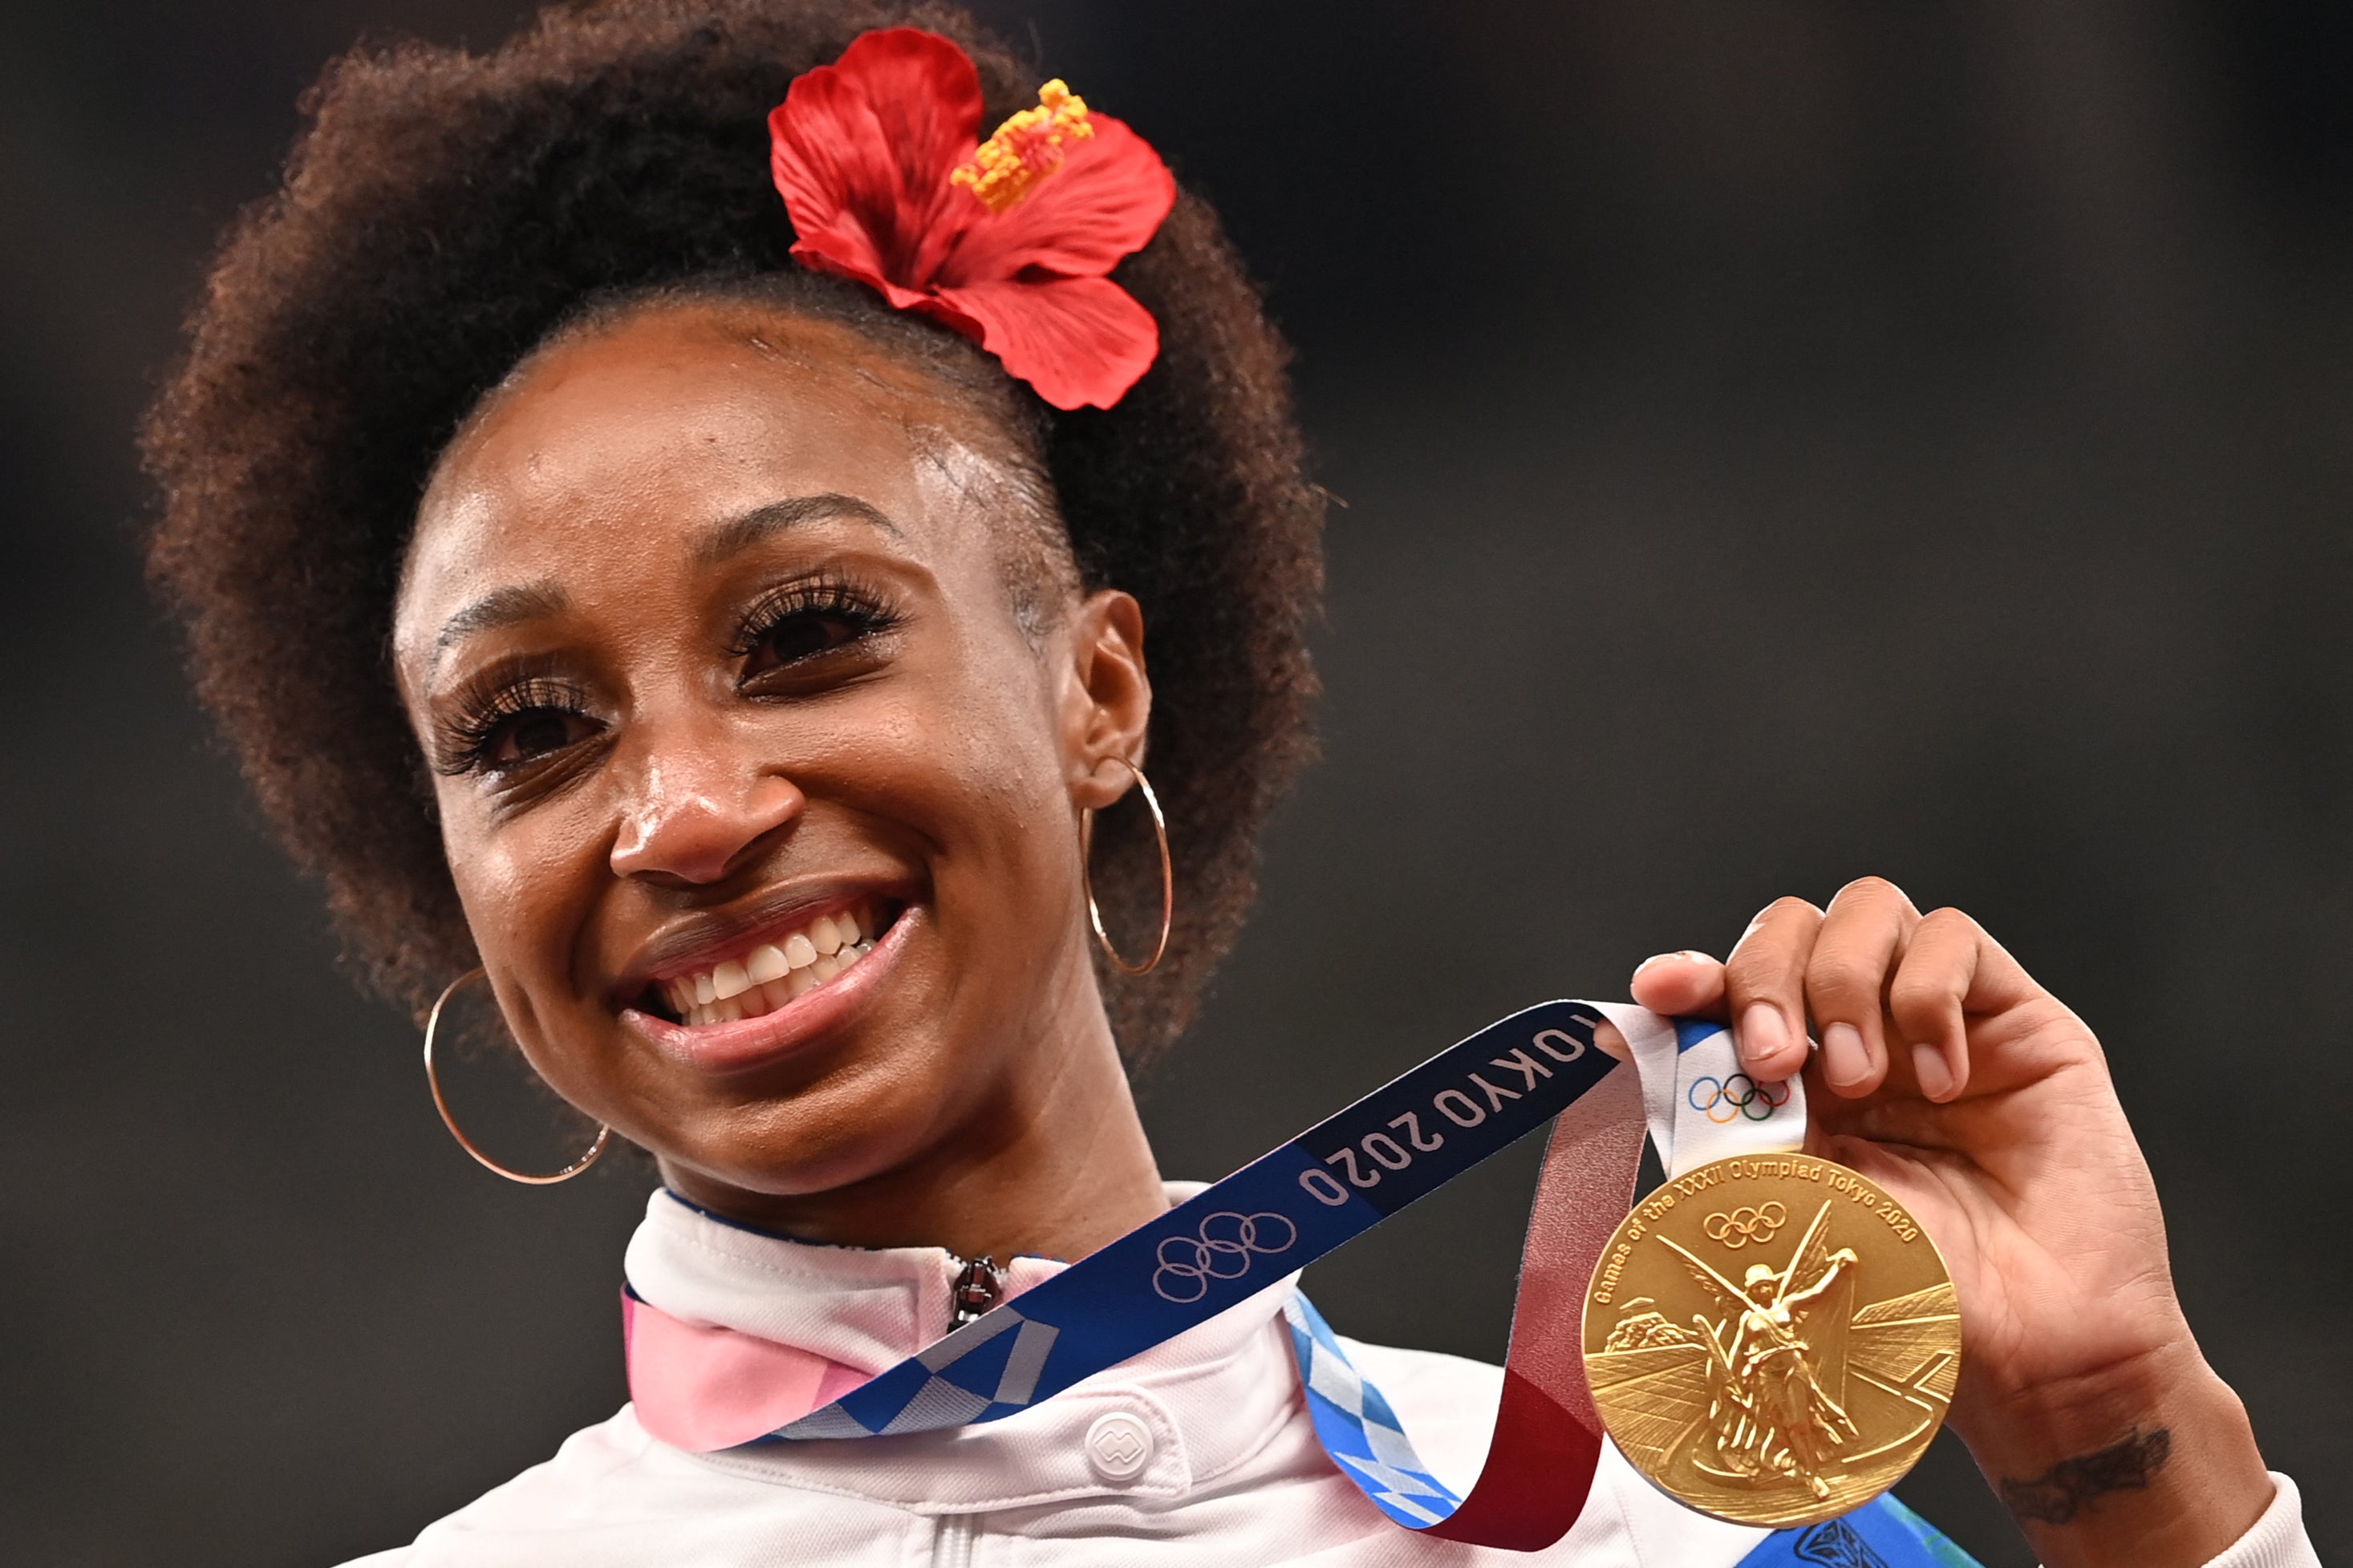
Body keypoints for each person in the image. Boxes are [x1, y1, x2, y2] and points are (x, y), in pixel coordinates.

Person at [140, 3, 2319, 1564]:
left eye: (808, 632)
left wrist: (2115, 1428)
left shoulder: (1639, 1538)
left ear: (1098, 689)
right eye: (528, 730)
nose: (684, 808)